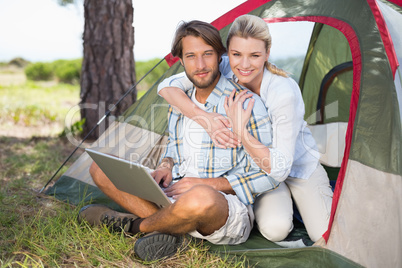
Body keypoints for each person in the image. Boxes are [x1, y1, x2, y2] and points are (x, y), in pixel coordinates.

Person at [78, 20, 278, 261]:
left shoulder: (245, 103)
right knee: (100, 168)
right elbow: (174, 144)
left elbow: (270, 174)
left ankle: (133, 226)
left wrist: (208, 184)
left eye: (208, 54)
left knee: (201, 196)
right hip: (174, 195)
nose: (201, 65)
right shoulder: (181, 101)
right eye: (191, 56)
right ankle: (173, 232)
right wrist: (166, 165)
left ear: (220, 57)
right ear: (181, 61)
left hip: (220, 208)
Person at [157, 14, 333, 243]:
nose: (244, 65)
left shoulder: (283, 92)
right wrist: (205, 119)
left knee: (324, 235)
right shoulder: (222, 67)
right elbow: (166, 86)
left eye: (255, 55)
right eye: (236, 54)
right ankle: (285, 204)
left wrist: (240, 131)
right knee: (275, 228)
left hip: (293, 166)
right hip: (259, 167)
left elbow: (279, 169)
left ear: (267, 53)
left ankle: (310, 200)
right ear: (226, 53)